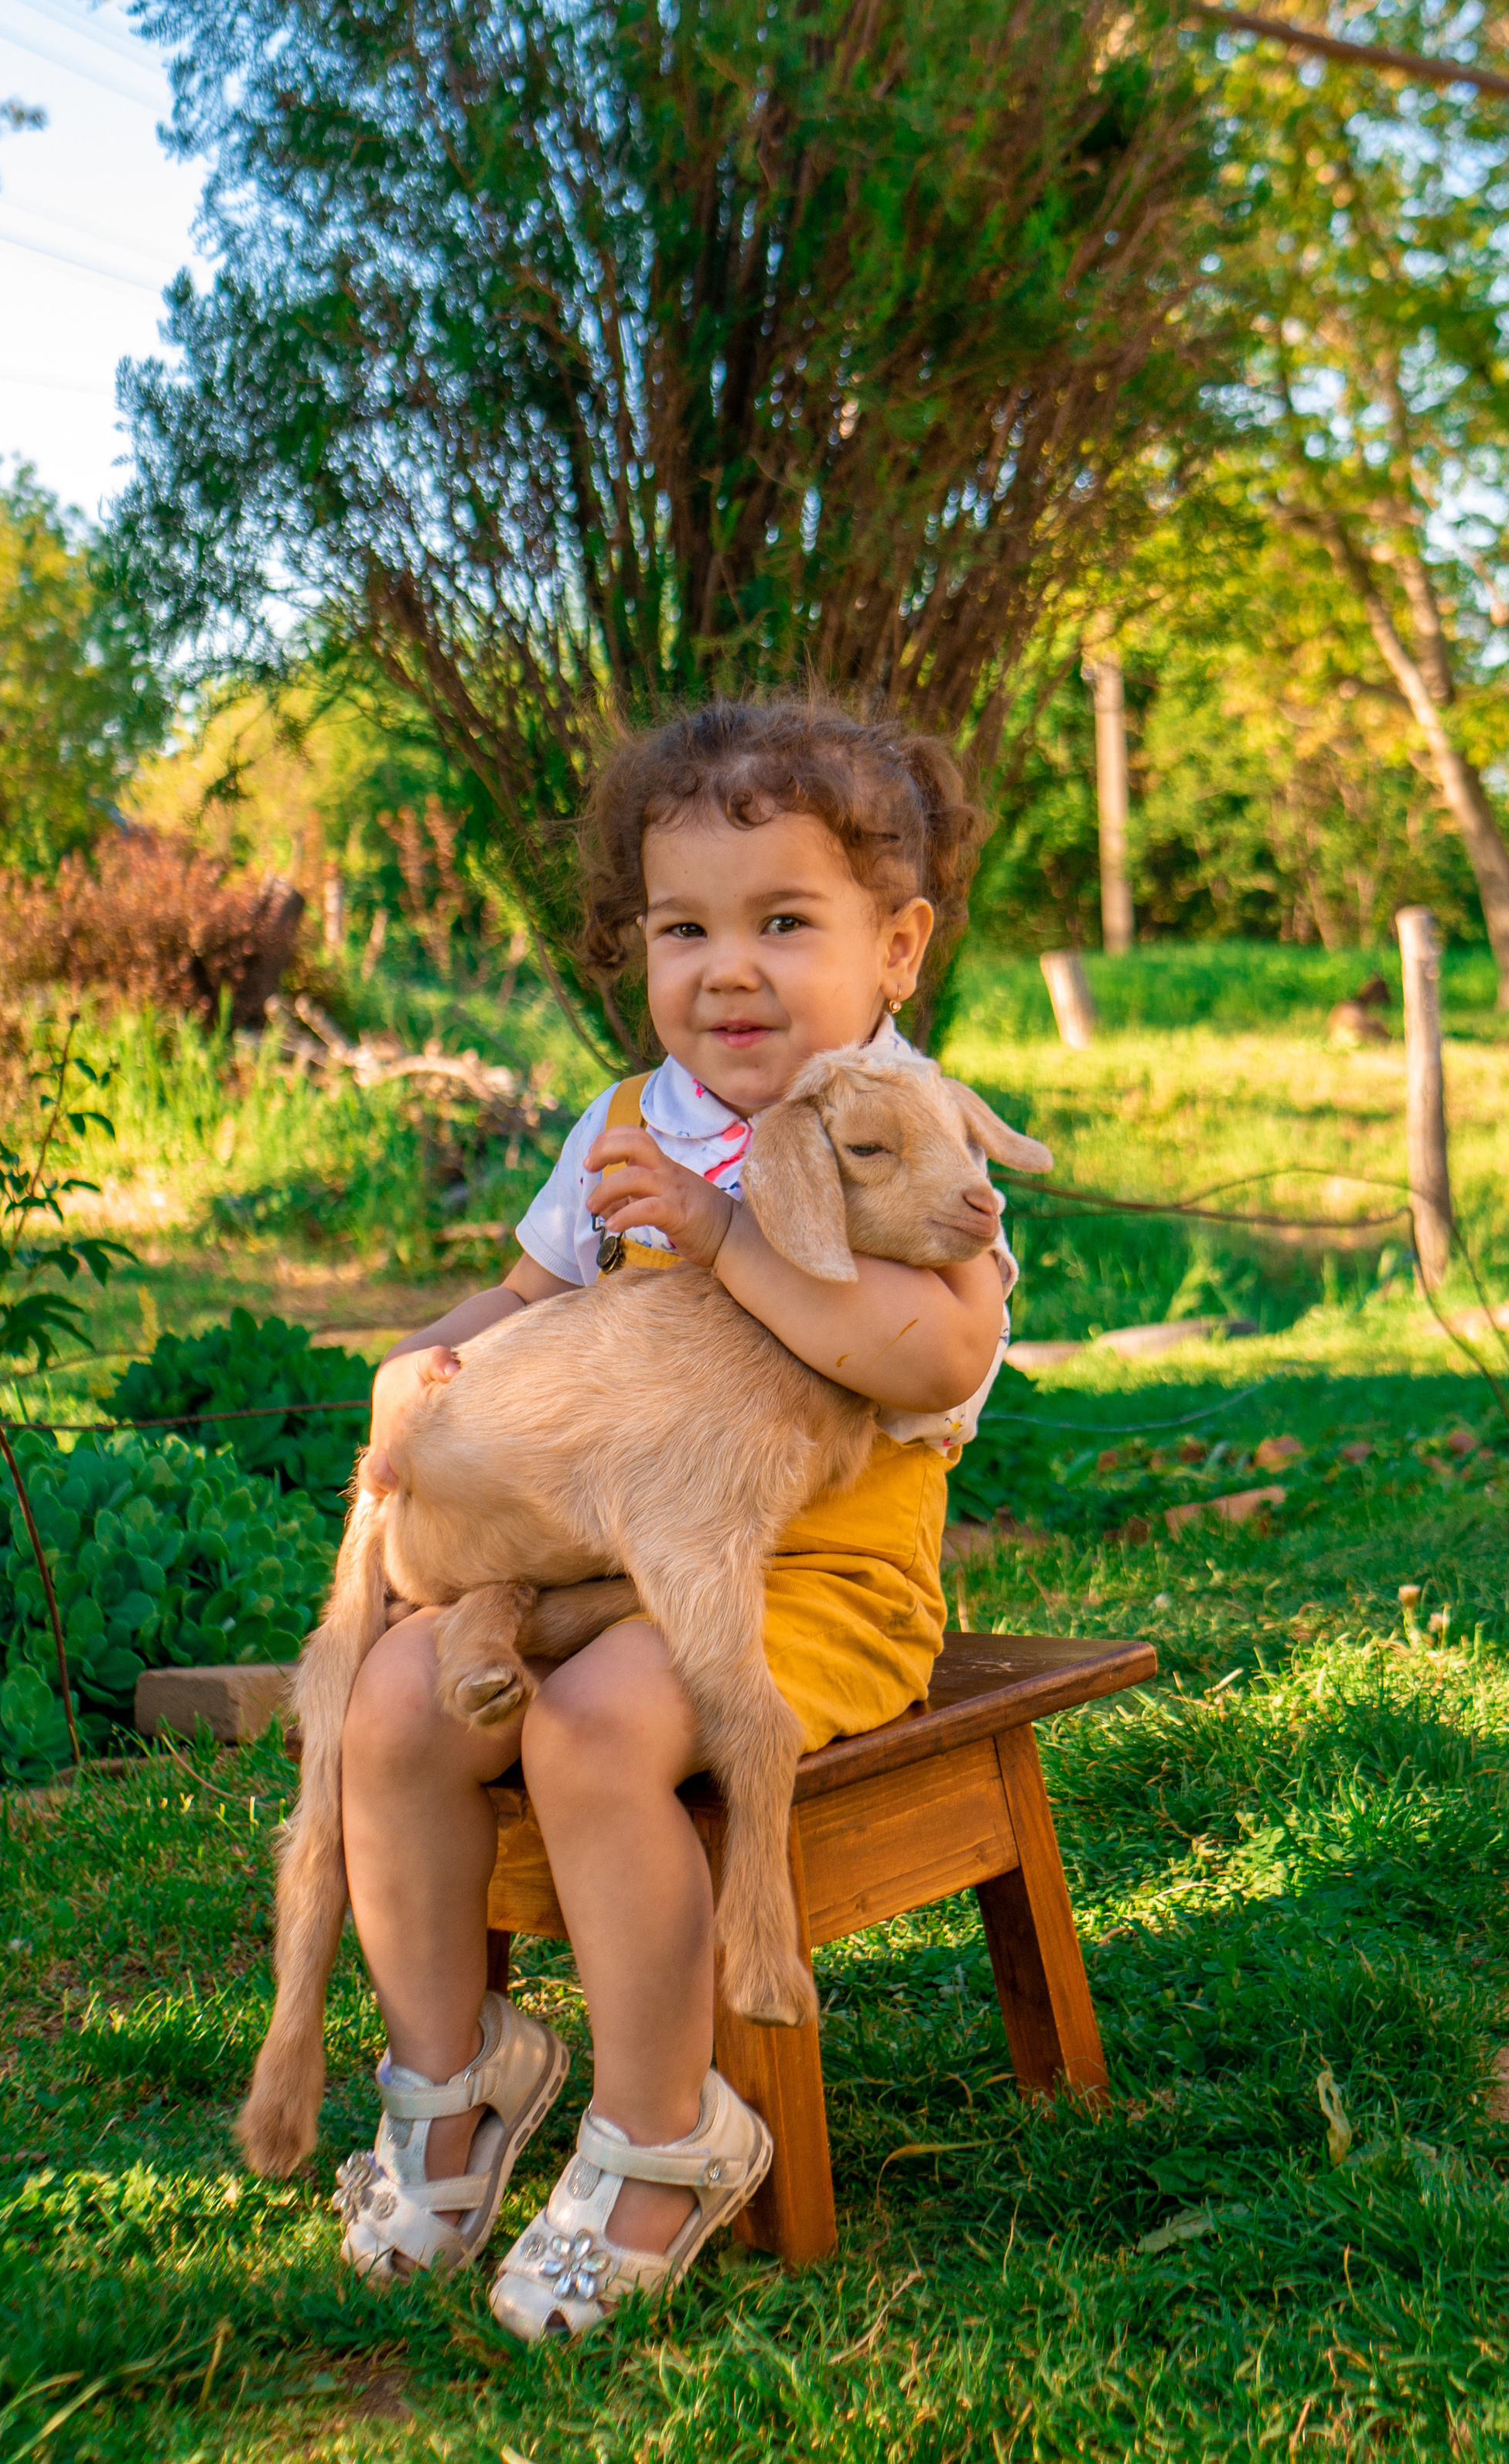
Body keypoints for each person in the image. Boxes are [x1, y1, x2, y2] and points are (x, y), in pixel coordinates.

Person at [339, 698, 1014, 2341]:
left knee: (586, 1734)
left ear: (897, 948)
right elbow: (522, 1293)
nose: (728, 969)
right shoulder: (624, 1122)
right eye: (683, 927)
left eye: (783, 922)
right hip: (603, 1560)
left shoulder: (898, 1125)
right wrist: (423, 1369)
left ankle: (665, 2128)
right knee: (393, 1703)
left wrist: (719, 1237)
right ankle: (457, 2067)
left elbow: (927, 1344)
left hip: (813, 1583)